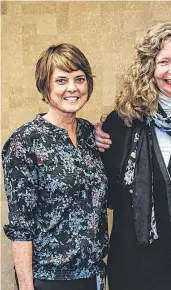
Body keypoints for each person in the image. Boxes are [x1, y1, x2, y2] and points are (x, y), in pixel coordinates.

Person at [97, 22, 171, 290]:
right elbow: (109, 197)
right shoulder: (121, 124)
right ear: (149, 68)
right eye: (163, 61)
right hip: (135, 271)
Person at [2, 43, 108, 290]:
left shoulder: (89, 134)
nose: (72, 88)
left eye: (79, 79)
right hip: (50, 280)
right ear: (45, 86)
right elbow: (20, 227)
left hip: (94, 275)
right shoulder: (25, 142)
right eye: (61, 80)